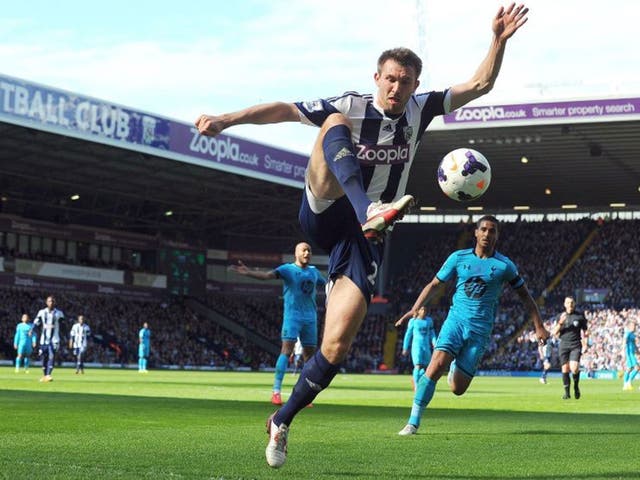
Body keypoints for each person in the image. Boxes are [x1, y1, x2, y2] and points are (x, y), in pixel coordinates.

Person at [196, 3, 532, 468]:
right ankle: (369, 207)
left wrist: (498, 40)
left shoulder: (421, 109)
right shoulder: (351, 105)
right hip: (327, 207)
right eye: (390, 78)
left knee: (336, 346)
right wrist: (227, 119)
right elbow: (284, 109)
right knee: (331, 123)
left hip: (361, 237)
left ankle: (281, 422)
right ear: (377, 76)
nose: (397, 87)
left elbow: (480, 84)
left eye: (407, 81)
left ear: (415, 84)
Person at [397, 215, 549, 436]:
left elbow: (525, 297)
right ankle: (413, 422)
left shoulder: (504, 266)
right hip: (455, 322)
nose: (487, 234)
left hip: (480, 331)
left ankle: (454, 371)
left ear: (497, 236)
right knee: (435, 365)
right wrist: (415, 307)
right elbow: (434, 284)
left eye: (492, 231)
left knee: (458, 389)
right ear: (476, 233)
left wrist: (539, 326)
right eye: (484, 229)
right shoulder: (458, 258)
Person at [228, 242, 326, 405]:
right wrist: (248, 273)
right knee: (286, 350)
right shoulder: (287, 269)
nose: (307, 253)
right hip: (292, 316)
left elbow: (329, 285)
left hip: (310, 317)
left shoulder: (314, 272)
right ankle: (276, 392)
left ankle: (305, 395)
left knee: (309, 357)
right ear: (296, 253)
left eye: (309, 250)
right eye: (304, 250)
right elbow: (267, 276)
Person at [552, 296, 588, 399]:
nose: (570, 304)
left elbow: (585, 331)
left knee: (574, 368)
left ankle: (576, 386)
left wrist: (585, 344)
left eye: (572, 302)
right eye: (568, 303)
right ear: (564, 304)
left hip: (576, 344)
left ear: (574, 303)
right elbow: (554, 332)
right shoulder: (560, 316)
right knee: (565, 369)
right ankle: (567, 393)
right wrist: (560, 323)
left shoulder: (580, 316)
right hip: (564, 344)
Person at [396, 306, 437, 389]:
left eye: (425, 309)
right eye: (422, 309)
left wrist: (435, 344)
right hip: (416, 346)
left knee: (425, 367)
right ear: (418, 311)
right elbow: (408, 335)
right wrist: (405, 347)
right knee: (418, 365)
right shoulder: (413, 321)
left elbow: (432, 333)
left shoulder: (429, 321)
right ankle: (416, 385)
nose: (424, 311)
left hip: (426, 346)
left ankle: (418, 381)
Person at [30, 295, 65, 382]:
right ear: (46, 302)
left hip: (54, 339)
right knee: (44, 357)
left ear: (55, 303)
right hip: (43, 340)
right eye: (49, 301)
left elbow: (64, 325)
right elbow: (36, 322)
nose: (51, 303)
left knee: (51, 355)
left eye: (53, 301)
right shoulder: (42, 312)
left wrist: (65, 336)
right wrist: (31, 330)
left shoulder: (59, 313)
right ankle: (45, 375)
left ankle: (49, 375)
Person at [621, 320, 638, 391]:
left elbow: (634, 344)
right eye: (634, 326)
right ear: (630, 326)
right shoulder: (627, 333)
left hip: (632, 353)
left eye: (635, 326)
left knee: (629, 369)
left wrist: (638, 351)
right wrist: (622, 350)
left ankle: (625, 384)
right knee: (637, 368)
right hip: (629, 353)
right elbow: (624, 340)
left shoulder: (633, 335)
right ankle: (628, 382)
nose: (635, 328)